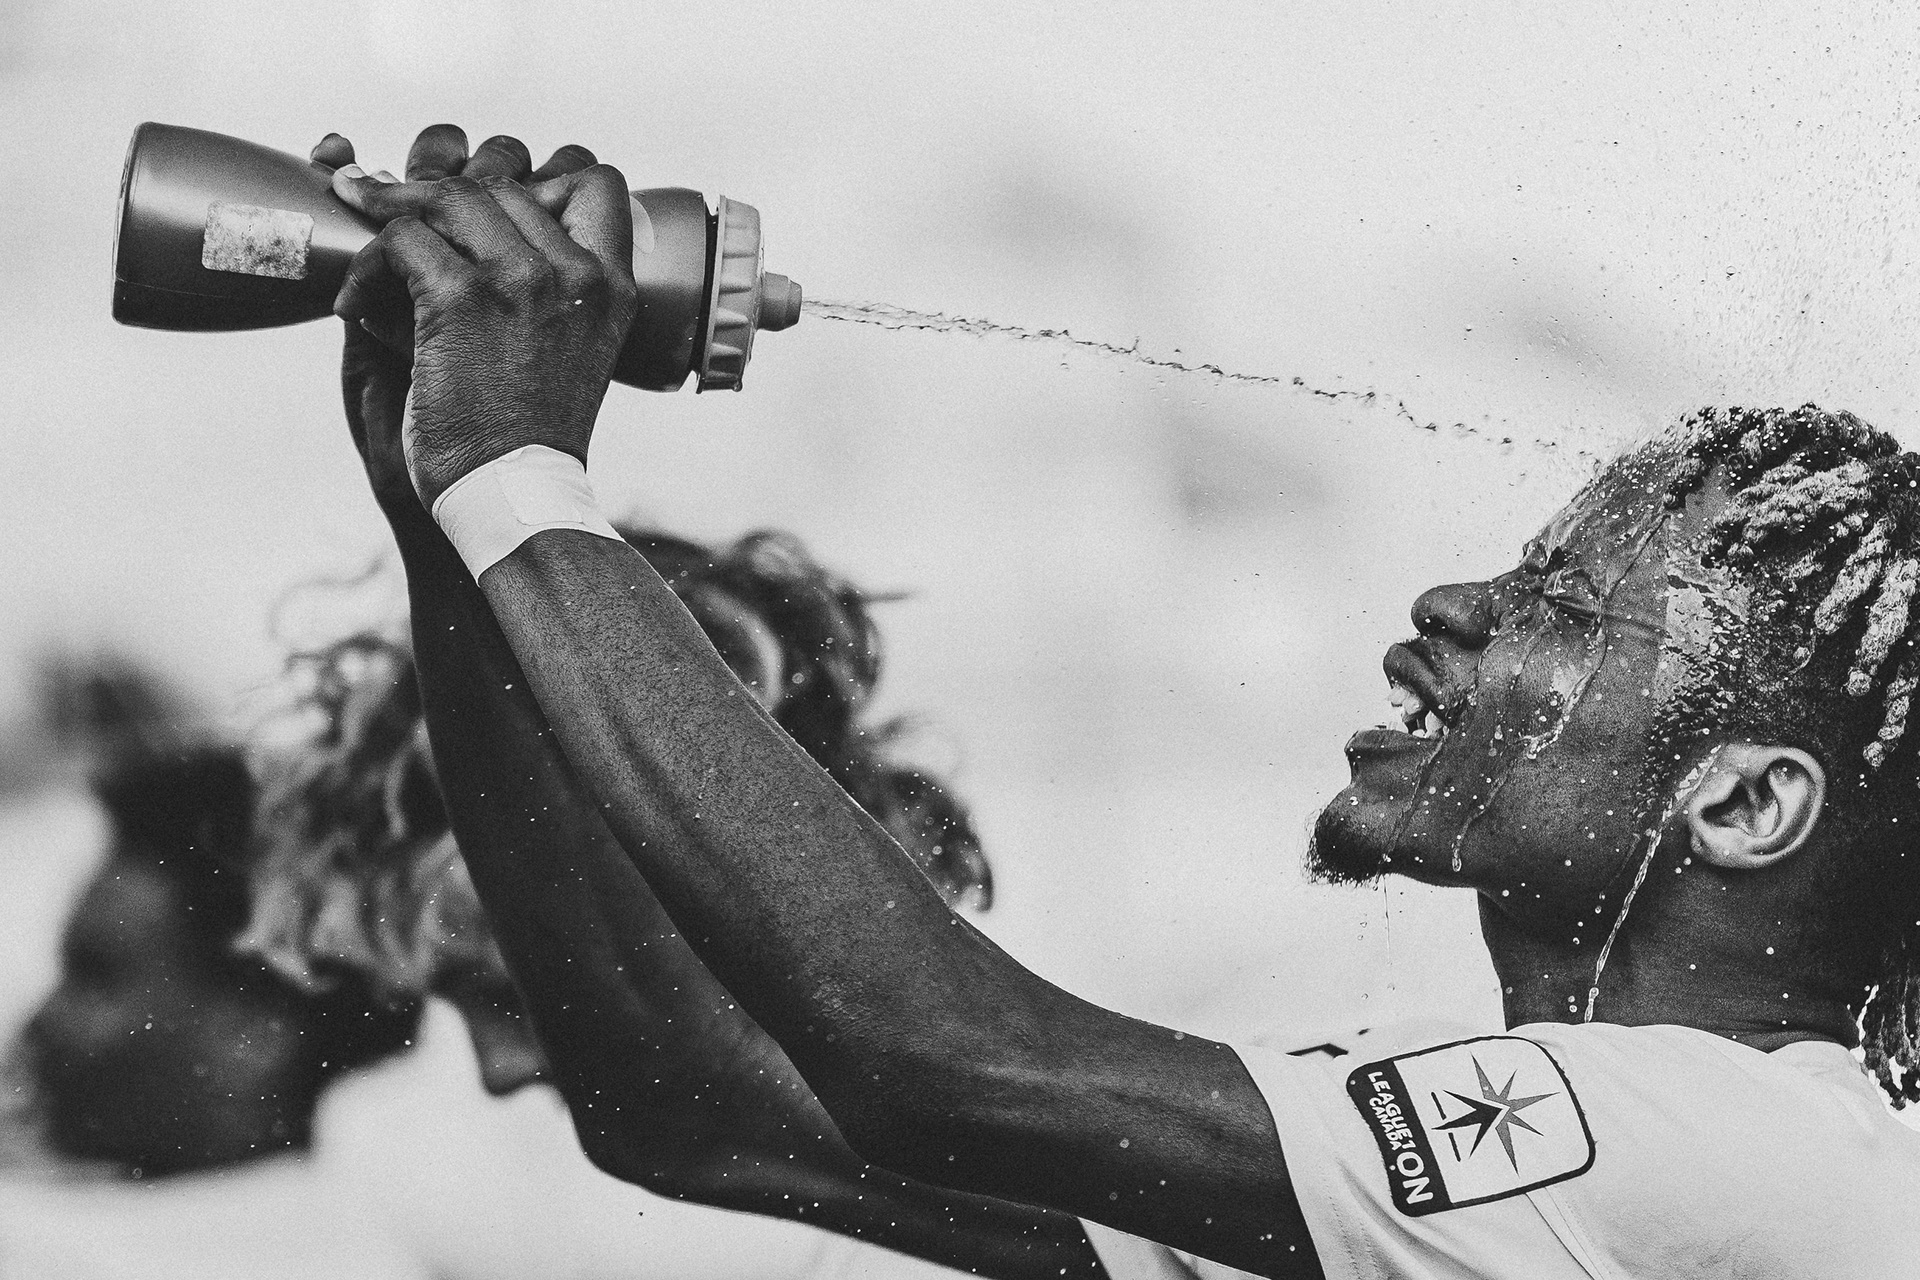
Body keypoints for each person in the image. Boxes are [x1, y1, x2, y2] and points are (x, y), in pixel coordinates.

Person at [305, 122, 1920, 1279]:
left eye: (1564, 608)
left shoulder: (1731, 1149)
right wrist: (444, 515)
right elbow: (694, 1108)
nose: (1455, 605)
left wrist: (515, 469)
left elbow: (942, 1060)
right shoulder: (1453, 1178)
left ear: (1744, 801)